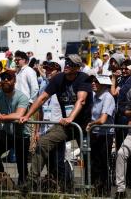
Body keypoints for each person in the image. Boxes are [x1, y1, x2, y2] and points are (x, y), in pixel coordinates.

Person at [19, 54, 92, 191]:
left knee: (89, 157)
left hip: (84, 125)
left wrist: (71, 117)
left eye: (71, 64)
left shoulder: (84, 79)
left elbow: (81, 100)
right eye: (67, 62)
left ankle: (92, 188)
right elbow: (42, 98)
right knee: (43, 143)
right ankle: (32, 182)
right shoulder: (58, 78)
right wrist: (27, 115)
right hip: (67, 125)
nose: (67, 65)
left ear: (77, 67)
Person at [0, 70, 30, 186]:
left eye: (9, 78)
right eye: (3, 78)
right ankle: (3, 180)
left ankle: (23, 187)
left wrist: (0, 117)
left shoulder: (22, 97)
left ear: (14, 81)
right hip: (7, 133)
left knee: (22, 164)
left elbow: (18, 115)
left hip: (22, 135)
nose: (5, 80)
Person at [87, 75, 115, 196]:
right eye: (92, 81)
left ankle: (104, 191)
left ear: (103, 84)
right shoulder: (94, 96)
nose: (93, 83)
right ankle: (95, 189)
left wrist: (90, 124)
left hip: (105, 135)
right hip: (94, 134)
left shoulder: (107, 97)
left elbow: (103, 119)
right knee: (94, 163)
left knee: (103, 164)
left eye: (96, 82)